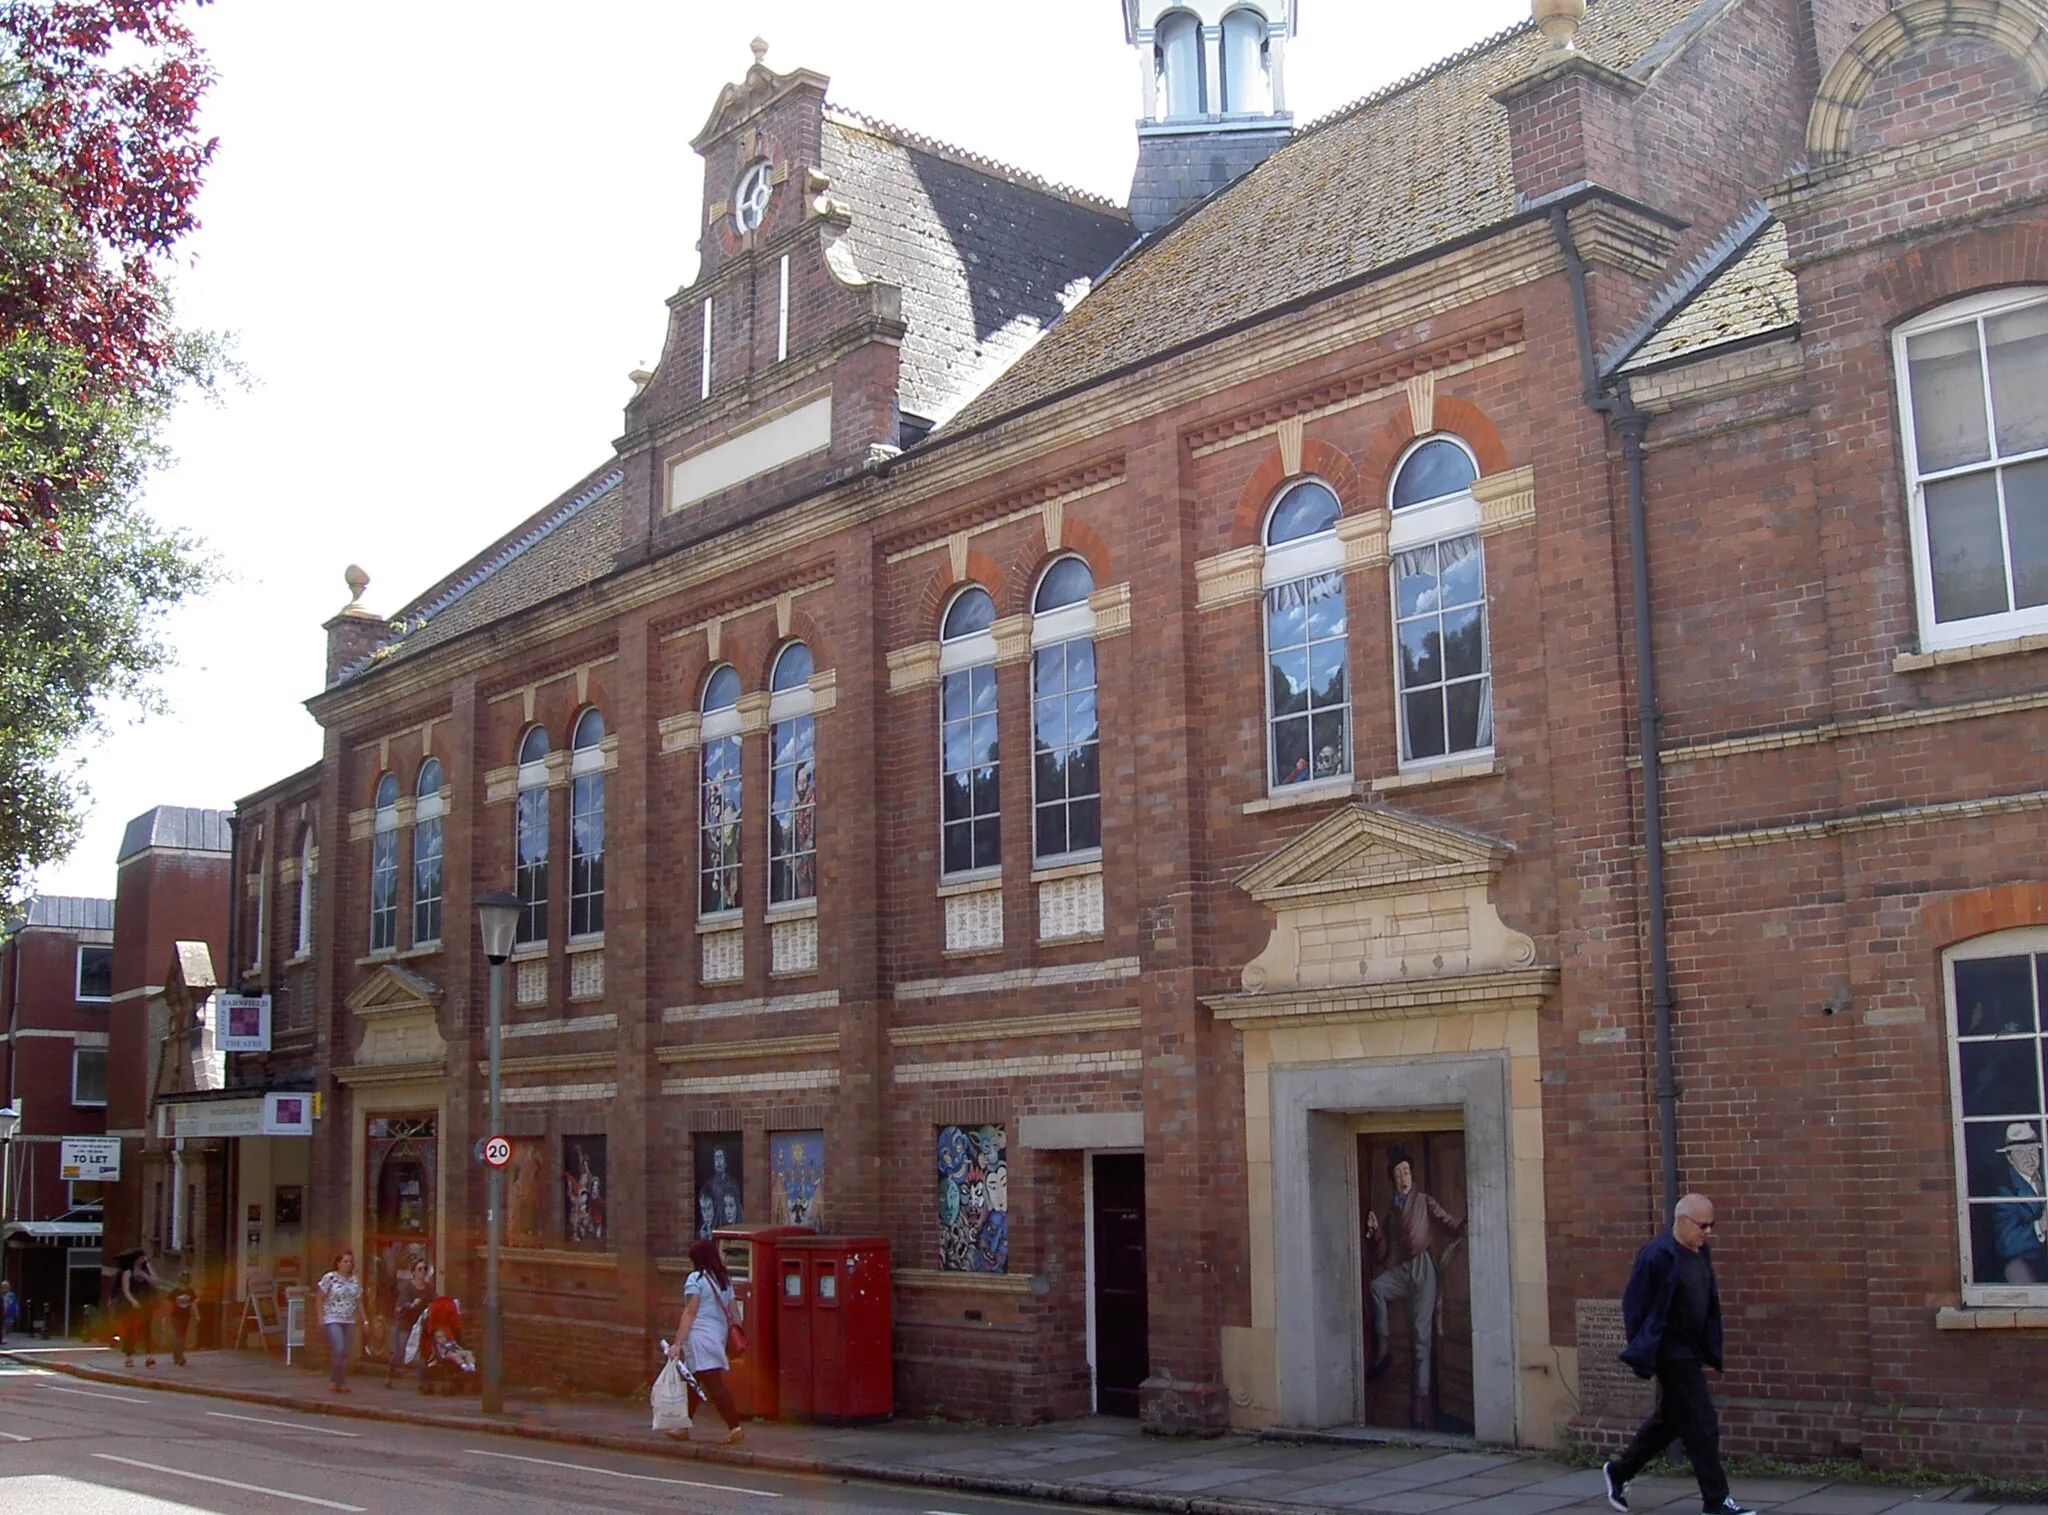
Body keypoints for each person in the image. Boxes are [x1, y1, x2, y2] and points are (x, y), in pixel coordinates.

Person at [1603, 1194, 1755, 1515]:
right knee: (1702, 1423)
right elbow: (1635, 1306)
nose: (1708, 1232)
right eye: (1703, 1225)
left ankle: (1620, 1471)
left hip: (1690, 1349)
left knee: (1671, 1420)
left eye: (1711, 1225)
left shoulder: (1701, 1252)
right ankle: (1716, 1501)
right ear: (1682, 1222)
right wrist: (1645, 1350)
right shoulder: (1656, 1256)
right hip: (1670, 1353)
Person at [1364, 1144, 1463, 1430]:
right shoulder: (1394, 1207)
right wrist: (1375, 1233)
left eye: (1406, 1171)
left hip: (1424, 1268)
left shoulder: (1424, 1201)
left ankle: (1420, 1407)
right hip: (1405, 1269)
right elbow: (1382, 1254)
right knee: (1377, 1288)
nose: (1402, 1177)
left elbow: (1446, 1220)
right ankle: (1383, 1349)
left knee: (1422, 1337)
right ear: (1393, 1179)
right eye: (1397, 1173)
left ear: (1412, 1175)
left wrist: (1462, 1225)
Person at [665, 1237, 743, 1444]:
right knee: (693, 1381)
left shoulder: (696, 1279)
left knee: (713, 1382)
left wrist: (677, 1343)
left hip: (700, 1335)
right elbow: (735, 1313)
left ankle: (734, 1427)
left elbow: (690, 1312)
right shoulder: (724, 1280)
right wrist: (737, 1336)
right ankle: (683, 1426)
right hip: (718, 1334)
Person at [1989, 1122, 2047, 1284]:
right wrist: (2041, 1225)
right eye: (2020, 1153)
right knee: (2015, 1270)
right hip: (2032, 1264)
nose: (2029, 1158)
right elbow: (2007, 1244)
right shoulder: (2005, 1191)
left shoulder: (2045, 1174)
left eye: (2032, 1150)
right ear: (2009, 1158)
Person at [315, 1250, 368, 1394]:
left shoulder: (354, 1281)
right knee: (338, 1347)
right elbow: (319, 1297)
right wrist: (320, 1317)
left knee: (345, 1352)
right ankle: (334, 1379)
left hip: (348, 1319)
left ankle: (341, 1381)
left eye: (350, 1261)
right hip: (332, 1318)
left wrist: (365, 1320)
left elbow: (358, 1301)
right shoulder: (330, 1278)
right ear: (338, 1263)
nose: (348, 1264)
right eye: (345, 1261)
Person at [386, 1258, 432, 1388]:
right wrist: (411, 1304)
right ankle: (390, 1374)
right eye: (419, 1269)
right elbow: (401, 1304)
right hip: (405, 1323)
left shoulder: (428, 1288)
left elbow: (434, 1300)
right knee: (401, 1352)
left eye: (425, 1269)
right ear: (413, 1272)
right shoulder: (408, 1287)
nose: (422, 1272)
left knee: (421, 1352)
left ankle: (423, 1382)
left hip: (420, 1325)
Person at [113, 1248, 158, 1368]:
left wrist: (145, 1271)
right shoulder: (128, 1271)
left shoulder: (145, 1270)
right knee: (130, 1331)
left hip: (146, 1303)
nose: (144, 1260)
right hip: (131, 1305)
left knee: (147, 1331)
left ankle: (149, 1357)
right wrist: (133, 1301)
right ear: (137, 1259)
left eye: (145, 1258)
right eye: (142, 1258)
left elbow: (155, 1282)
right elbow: (125, 1289)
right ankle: (128, 1356)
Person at [167, 1276, 197, 1367]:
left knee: (182, 1337)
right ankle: (181, 1357)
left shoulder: (190, 1291)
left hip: (186, 1316)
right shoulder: (175, 1291)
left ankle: (176, 1355)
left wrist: (196, 1314)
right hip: (176, 1316)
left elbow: (193, 1303)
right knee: (179, 1336)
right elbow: (171, 1303)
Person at [0, 1280, 16, 1345]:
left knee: (7, 1326)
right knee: (3, 1326)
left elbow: (15, 1303)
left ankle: (3, 1336)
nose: (5, 1289)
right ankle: (2, 1338)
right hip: (3, 1313)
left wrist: (16, 1310)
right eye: (4, 1287)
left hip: (9, 1313)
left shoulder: (11, 1295)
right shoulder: (1, 1295)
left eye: (7, 1287)